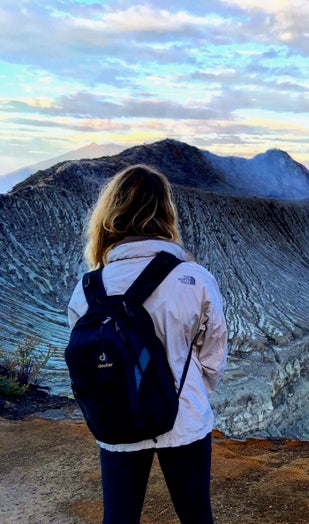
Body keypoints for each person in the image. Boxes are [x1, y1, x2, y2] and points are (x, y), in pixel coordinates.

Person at [67, 164, 228, 524]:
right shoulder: (194, 278)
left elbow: (85, 355)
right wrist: (188, 393)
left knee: (119, 519)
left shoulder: (88, 288)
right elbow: (214, 356)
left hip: (117, 419)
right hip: (183, 421)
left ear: (111, 214)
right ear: (165, 213)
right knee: (196, 516)